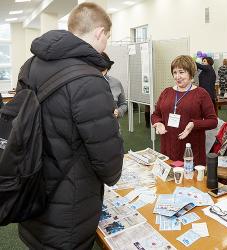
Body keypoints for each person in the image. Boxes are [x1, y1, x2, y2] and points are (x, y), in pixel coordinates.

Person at [18, 3, 124, 249]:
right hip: (69, 208)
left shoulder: (30, 65)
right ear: (99, 32)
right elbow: (110, 166)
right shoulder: (90, 79)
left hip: (31, 190)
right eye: (107, 37)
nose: (105, 45)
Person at [151, 55, 217, 165]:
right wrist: (158, 123)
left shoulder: (201, 94)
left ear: (191, 73)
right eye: (175, 72)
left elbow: (213, 121)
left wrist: (194, 124)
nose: (177, 76)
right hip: (168, 148)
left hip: (191, 151)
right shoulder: (166, 92)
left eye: (181, 72)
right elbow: (155, 114)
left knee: (190, 181)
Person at [101, 52, 128, 119]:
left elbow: (123, 104)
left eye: (103, 68)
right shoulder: (85, 84)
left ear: (107, 67)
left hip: (113, 126)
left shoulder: (116, 83)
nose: (100, 71)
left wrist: (119, 111)